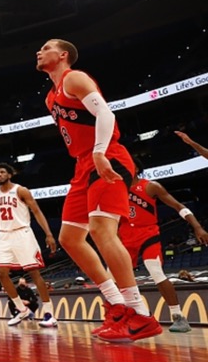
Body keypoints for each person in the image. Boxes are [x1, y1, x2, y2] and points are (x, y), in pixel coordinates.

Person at [36, 38, 161, 342]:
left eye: (47, 47)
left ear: (63, 55)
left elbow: (106, 115)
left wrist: (100, 152)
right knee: (70, 238)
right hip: (83, 166)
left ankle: (139, 313)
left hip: (108, 157)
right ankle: (117, 306)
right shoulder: (50, 98)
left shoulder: (74, 77)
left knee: (102, 231)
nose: (39, 51)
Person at [0, 162, 58, 328]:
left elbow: (37, 211)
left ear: (9, 175)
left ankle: (49, 314)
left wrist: (48, 234)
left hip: (22, 233)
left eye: (3, 172)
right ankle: (22, 309)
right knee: (1, 274)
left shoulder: (21, 190)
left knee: (34, 273)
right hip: (4, 236)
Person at [119, 176, 208, 332]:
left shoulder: (151, 186)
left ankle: (178, 316)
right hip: (124, 236)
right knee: (115, 277)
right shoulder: (116, 187)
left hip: (147, 234)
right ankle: (123, 318)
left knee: (156, 271)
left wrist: (197, 226)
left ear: (136, 168)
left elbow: (177, 205)